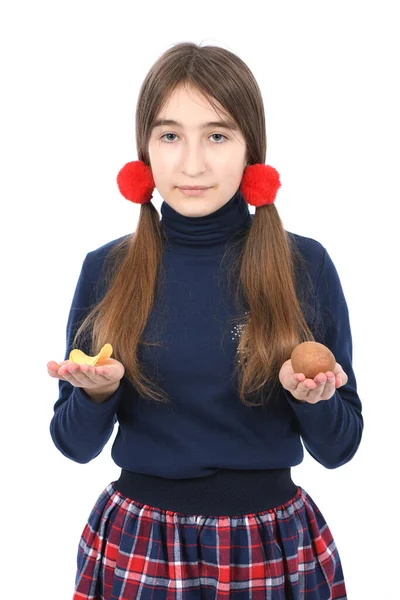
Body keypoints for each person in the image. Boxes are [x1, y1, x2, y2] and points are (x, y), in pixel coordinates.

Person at [48, 42, 363, 599]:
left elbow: (340, 449)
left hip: (270, 546)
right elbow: (72, 445)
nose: (191, 163)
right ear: (144, 151)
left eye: (217, 136)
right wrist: (94, 397)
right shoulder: (107, 270)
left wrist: (312, 400)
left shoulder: (303, 265)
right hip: (139, 546)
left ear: (251, 151)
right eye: (170, 136)